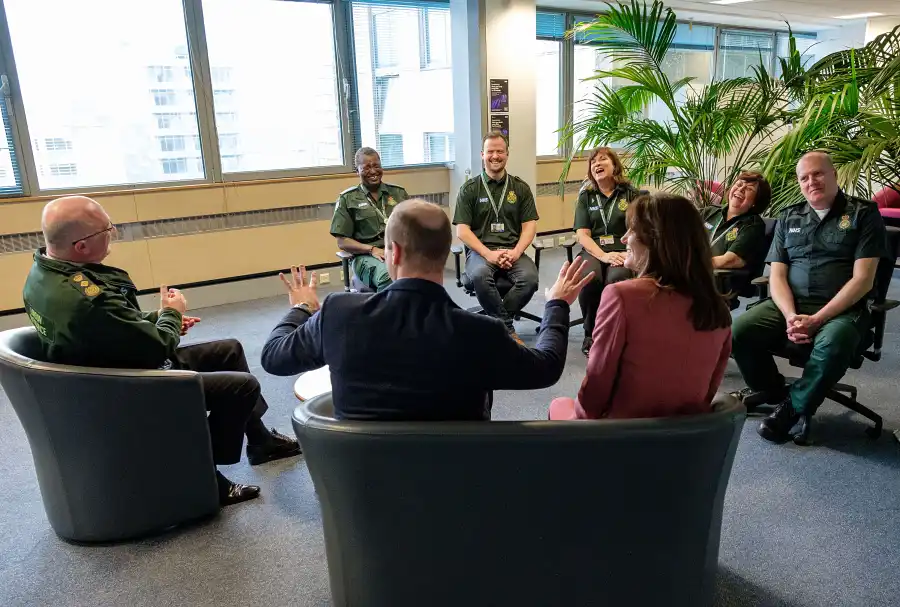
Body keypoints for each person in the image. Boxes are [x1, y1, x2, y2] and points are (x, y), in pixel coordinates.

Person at [22, 196, 300, 506]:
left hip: (109, 362)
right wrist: (172, 314)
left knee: (229, 351)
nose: (113, 233)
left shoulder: (43, 272)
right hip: (123, 385)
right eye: (108, 229)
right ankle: (202, 474)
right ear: (82, 246)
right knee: (242, 387)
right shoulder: (86, 300)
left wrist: (155, 319)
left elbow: (111, 324)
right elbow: (157, 348)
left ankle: (260, 441)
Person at [261, 199, 594, 421]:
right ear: (448, 252)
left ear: (393, 252)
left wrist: (303, 307)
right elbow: (547, 367)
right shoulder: (481, 333)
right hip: (457, 493)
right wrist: (557, 305)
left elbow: (273, 357)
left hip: (366, 493)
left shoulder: (339, 313)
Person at [731, 152, 888, 444]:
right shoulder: (789, 215)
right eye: (804, 177)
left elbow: (863, 279)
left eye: (818, 174)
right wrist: (791, 315)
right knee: (740, 331)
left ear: (833, 175)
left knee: (834, 342)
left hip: (842, 309)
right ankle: (774, 390)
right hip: (791, 305)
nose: (811, 181)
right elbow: (776, 276)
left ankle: (792, 408)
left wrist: (818, 319)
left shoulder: (863, 214)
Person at [549, 193, 733, 420]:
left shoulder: (621, 296)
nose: (624, 239)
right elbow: (708, 392)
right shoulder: (719, 310)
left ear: (655, 239)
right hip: (685, 443)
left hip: (620, 439)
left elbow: (596, 387)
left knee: (559, 405)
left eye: (631, 230)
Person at [452, 132, 539, 343]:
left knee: (530, 279)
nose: (495, 156)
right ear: (482, 155)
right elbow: (462, 230)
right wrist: (488, 253)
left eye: (500, 151)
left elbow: (530, 226)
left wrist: (517, 251)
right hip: (481, 252)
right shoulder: (470, 189)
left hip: (512, 250)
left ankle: (495, 324)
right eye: (490, 151)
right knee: (481, 275)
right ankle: (507, 330)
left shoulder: (520, 188)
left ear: (507, 155)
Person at [572, 147, 646, 355]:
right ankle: (590, 332)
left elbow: (640, 227)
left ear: (615, 165)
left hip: (623, 249)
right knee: (589, 276)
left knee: (617, 279)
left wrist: (629, 251)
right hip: (595, 249)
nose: (597, 164)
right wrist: (603, 255)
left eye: (603, 159)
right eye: (593, 162)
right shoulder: (586, 196)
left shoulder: (631, 193)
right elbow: (583, 234)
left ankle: (614, 332)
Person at [330, 147, 409, 292]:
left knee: (425, 273)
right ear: (357, 171)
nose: (373, 171)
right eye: (366, 168)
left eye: (376, 166)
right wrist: (372, 249)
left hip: (399, 250)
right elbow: (342, 241)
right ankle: (386, 313)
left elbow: (412, 227)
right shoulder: (348, 199)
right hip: (367, 256)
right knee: (389, 276)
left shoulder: (398, 193)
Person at [700, 171, 771, 307]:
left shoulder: (752, 225)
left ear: (757, 200)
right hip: (693, 277)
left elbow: (732, 260)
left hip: (719, 287)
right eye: (739, 184)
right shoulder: (709, 212)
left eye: (749, 189)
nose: (741, 189)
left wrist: (694, 265)